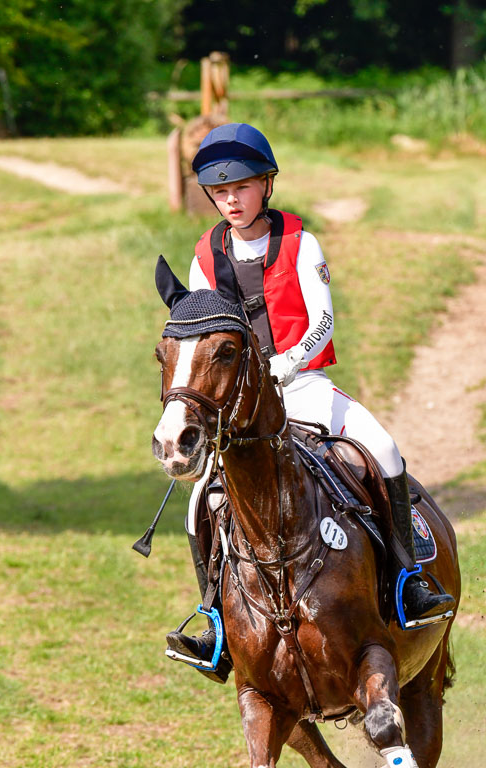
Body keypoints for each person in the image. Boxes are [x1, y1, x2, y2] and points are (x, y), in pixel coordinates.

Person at [165, 123, 455, 680]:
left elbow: (322, 321)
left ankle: (406, 580)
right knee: (197, 501)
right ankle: (214, 622)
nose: (232, 200)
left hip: (303, 385)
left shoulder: (301, 242)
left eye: (242, 188)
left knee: (384, 450)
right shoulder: (207, 252)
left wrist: (287, 363)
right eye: (221, 192)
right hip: (243, 402)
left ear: (266, 186)